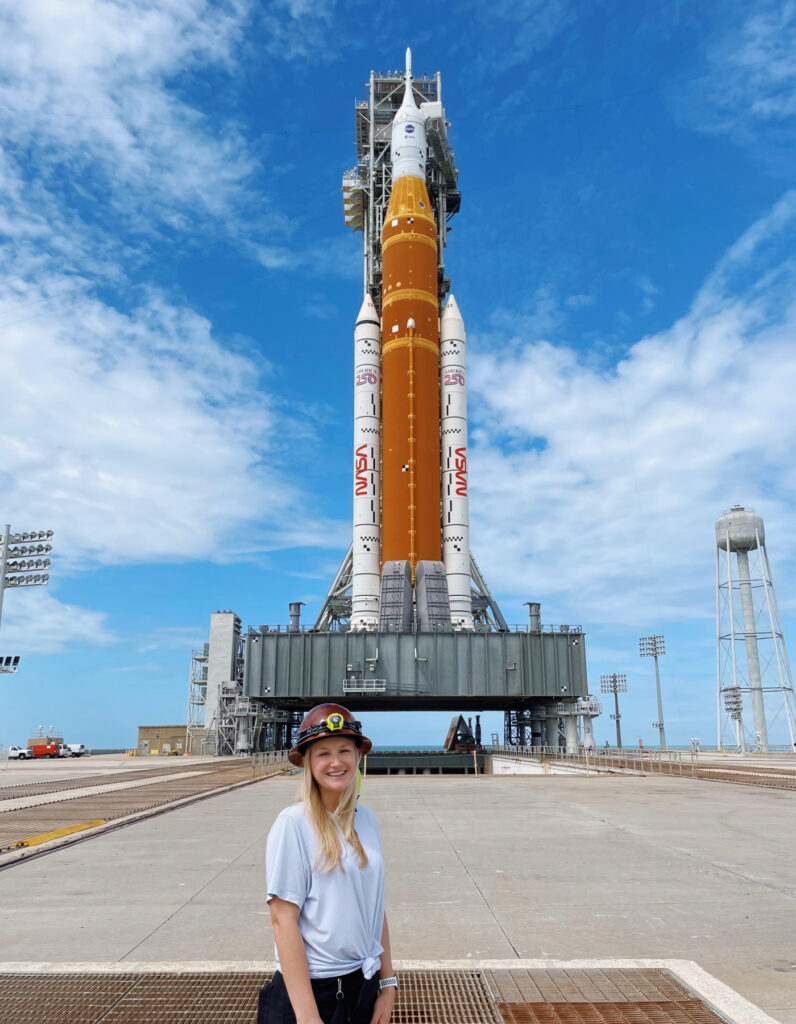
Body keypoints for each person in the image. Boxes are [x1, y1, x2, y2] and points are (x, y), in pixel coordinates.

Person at [260, 703, 396, 1024]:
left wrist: (387, 986)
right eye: (323, 753)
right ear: (307, 762)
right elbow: (283, 920)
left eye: (344, 751)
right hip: (311, 994)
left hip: (361, 986)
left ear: (357, 757)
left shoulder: (367, 819)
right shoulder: (293, 823)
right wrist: (308, 1017)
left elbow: (374, 908)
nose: (336, 762)